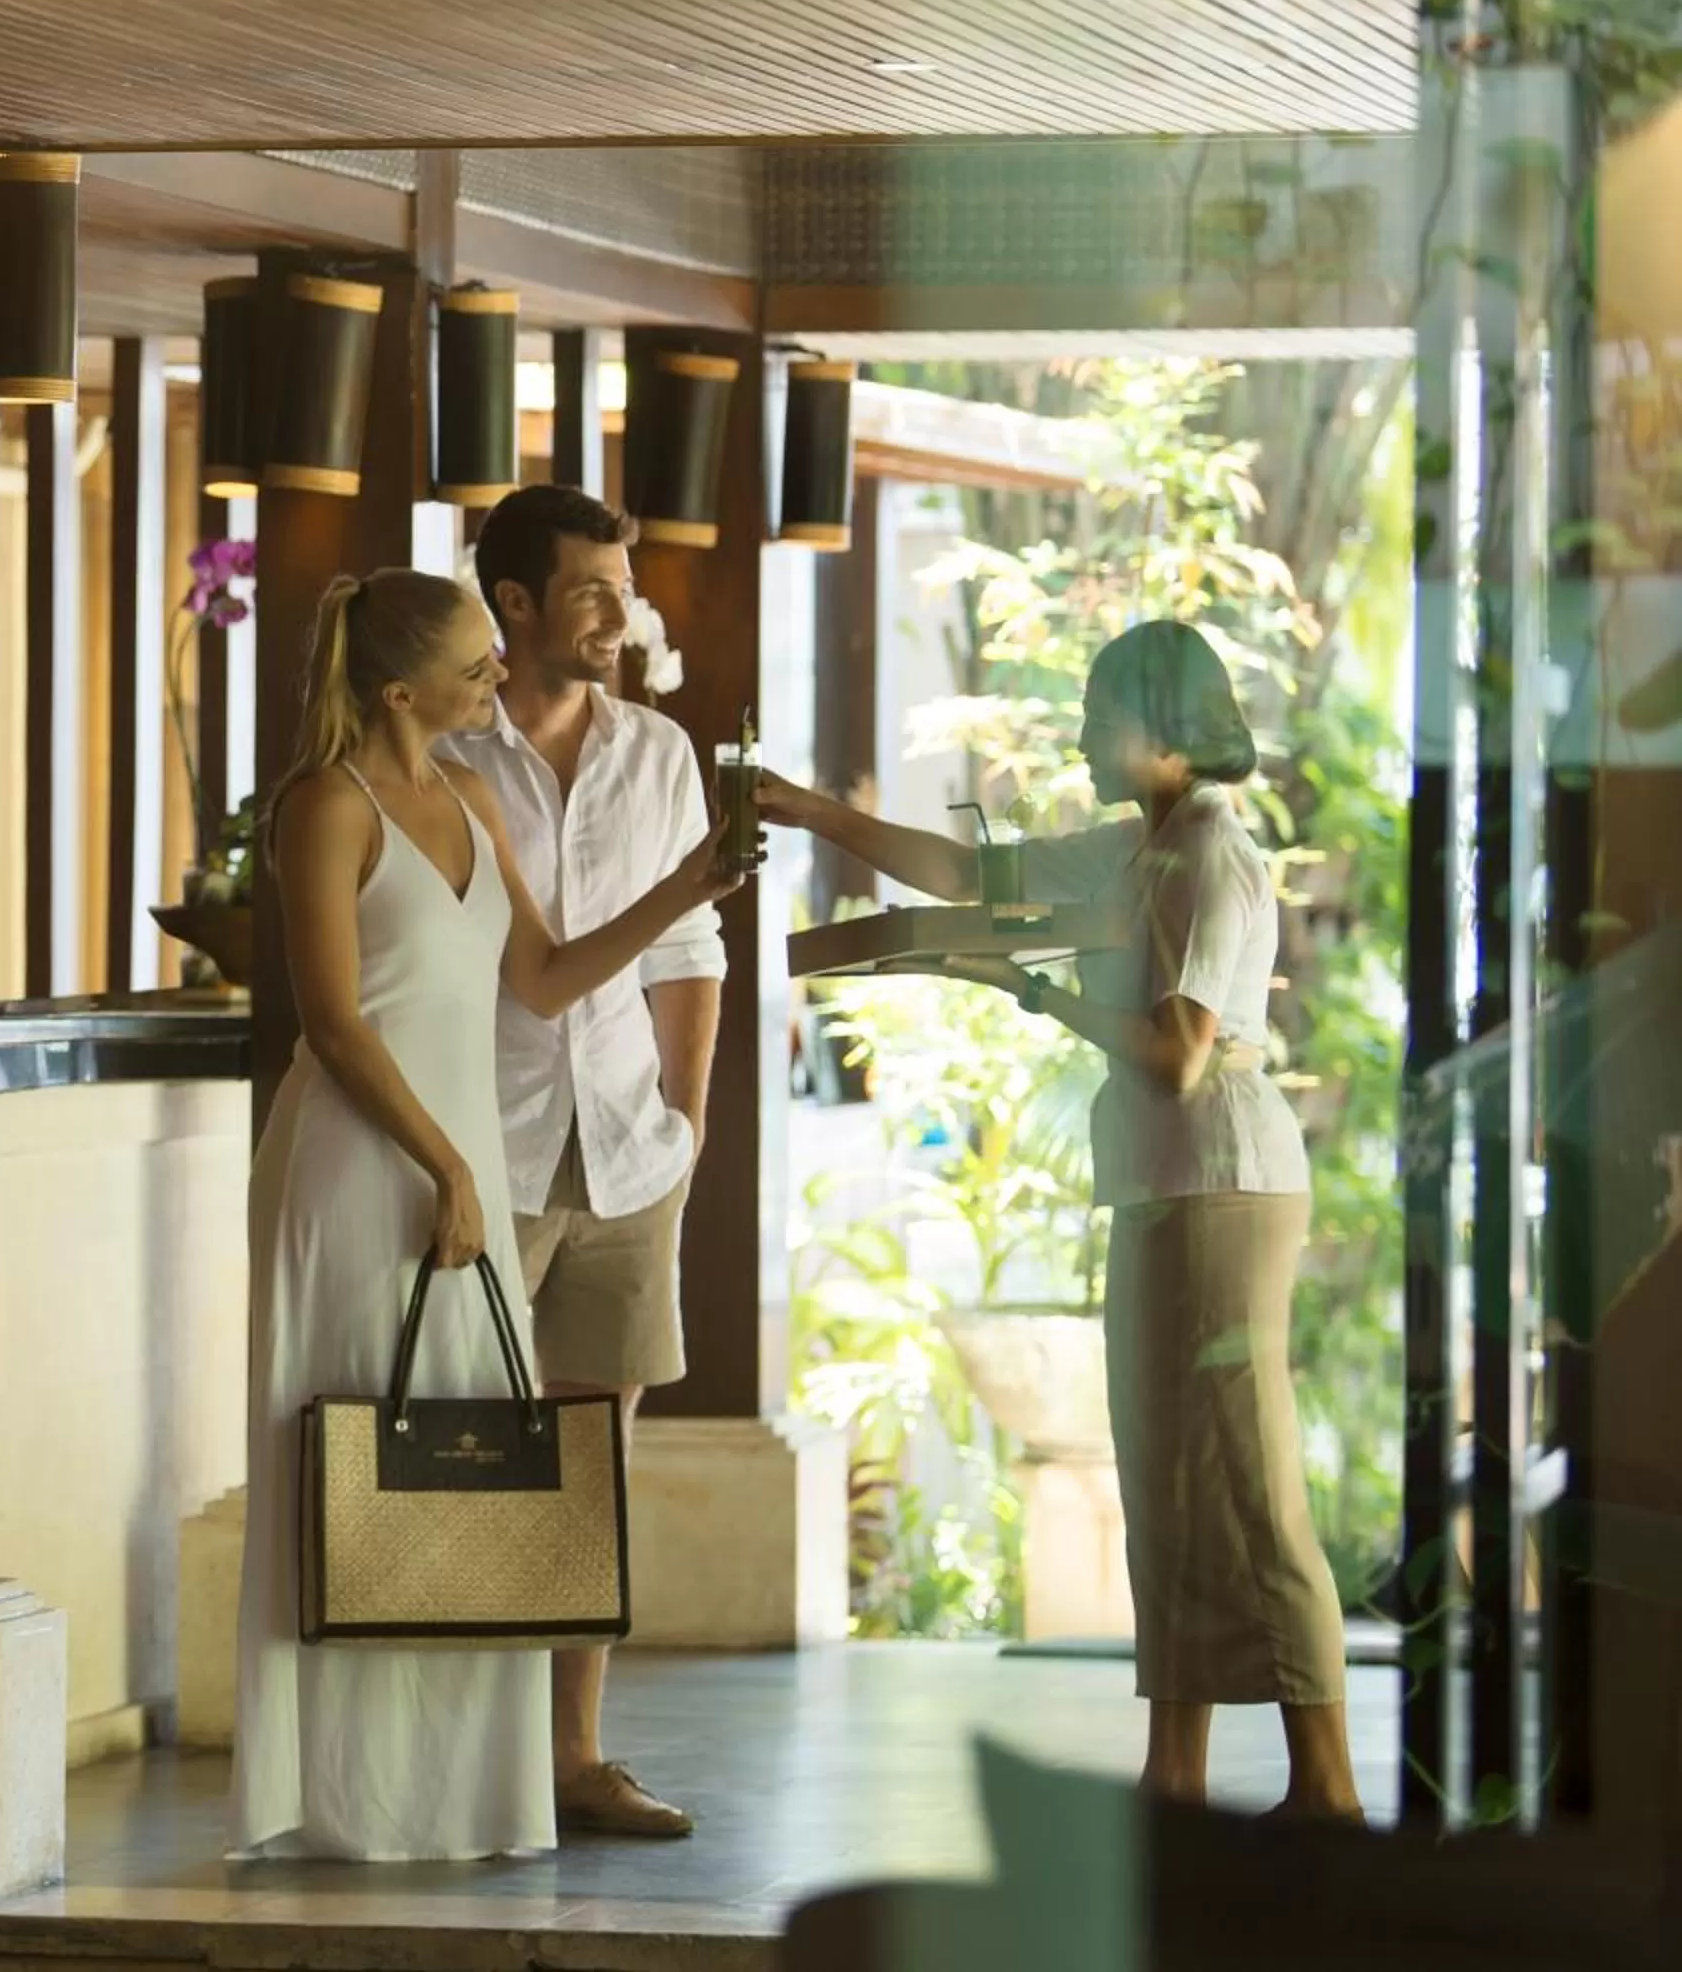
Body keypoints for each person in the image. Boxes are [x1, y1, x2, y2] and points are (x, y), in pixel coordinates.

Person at [759, 619, 1361, 1820]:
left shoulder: (1202, 858)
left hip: (1220, 1179)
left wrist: (1029, 990)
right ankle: (1174, 1777)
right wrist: (815, 814)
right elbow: (973, 875)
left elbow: (1178, 1057)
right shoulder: (1140, 848)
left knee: (1246, 1485)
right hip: (1167, 1183)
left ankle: (1329, 1790)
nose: (1082, 741)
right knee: (1167, 1483)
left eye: (1097, 720)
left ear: (1155, 729)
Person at [231, 567, 751, 1862]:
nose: (497, 681)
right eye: (476, 667)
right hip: (362, 1165)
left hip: (453, 1156)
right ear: (400, 688)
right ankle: (348, 1799)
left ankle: (453, 1790)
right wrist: (448, 1167)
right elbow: (335, 1021)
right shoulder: (322, 808)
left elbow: (544, 976)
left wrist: (687, 887)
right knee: (355, 1446)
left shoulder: (467, 793)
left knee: (474, 1470)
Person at [441, 484, 723, 1841]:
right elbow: (521, 973)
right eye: (593, 591)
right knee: (465, 1447)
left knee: (592, 1458)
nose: (620, 615)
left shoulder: (659, 751)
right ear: (514, 603)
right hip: (480, 1146)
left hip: (625, 1148)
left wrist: (691, 1119)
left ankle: (573, 1755)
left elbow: (689, 954)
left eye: (627, 587)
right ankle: (466, 1757)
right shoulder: (442, 749)